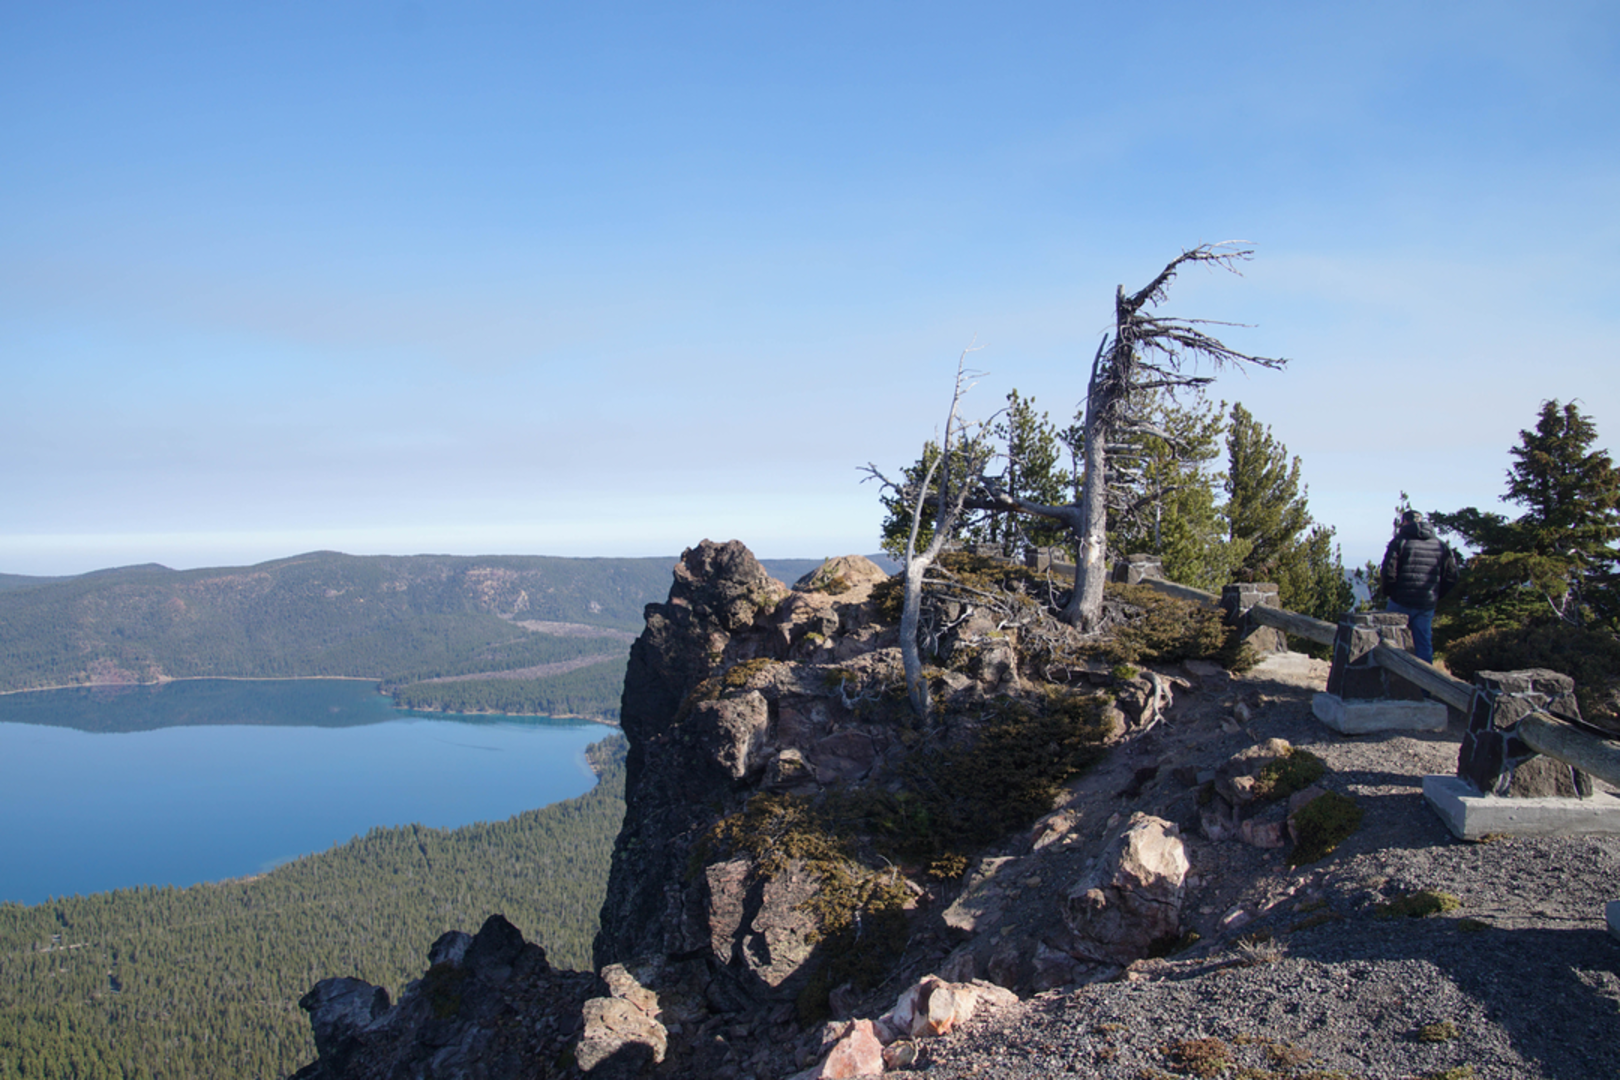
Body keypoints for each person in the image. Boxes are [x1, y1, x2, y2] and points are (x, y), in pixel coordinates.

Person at [1380, 509, 1459, 663]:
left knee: (1389, 641)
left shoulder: (1400, 541)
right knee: (1423, 645)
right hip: (1426, 602)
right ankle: (1424, 684)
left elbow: (1388, 571)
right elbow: (1451, 576)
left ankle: (1393, 683)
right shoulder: (1440, 545)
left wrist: (1391, 593)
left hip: (1400, 601)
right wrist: (1435, 594)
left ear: (1405, 522)